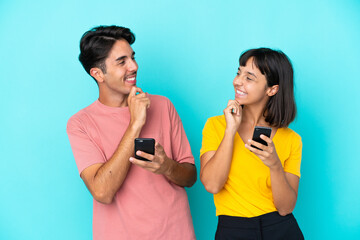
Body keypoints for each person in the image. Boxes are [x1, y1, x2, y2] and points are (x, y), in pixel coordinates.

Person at [66, 25, 197, 240]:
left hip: (176, 233)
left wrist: (167, 166)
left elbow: (190, 177)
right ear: (98, 73)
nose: (134, 66)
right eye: (122, 61)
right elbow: (102, 192)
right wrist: (135, 124)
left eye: (133, 57)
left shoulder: (163, 106)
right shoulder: (80, 124)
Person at [200, 48, 304, 239]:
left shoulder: (291, 139)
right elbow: (213, 185)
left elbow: (285, 207)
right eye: (238, 73)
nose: (238, 81)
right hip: (232, 229)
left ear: (272, 89)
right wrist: (230, 131)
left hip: (280, 229)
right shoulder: (215, 126)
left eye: (249, 77)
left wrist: (274, 165)